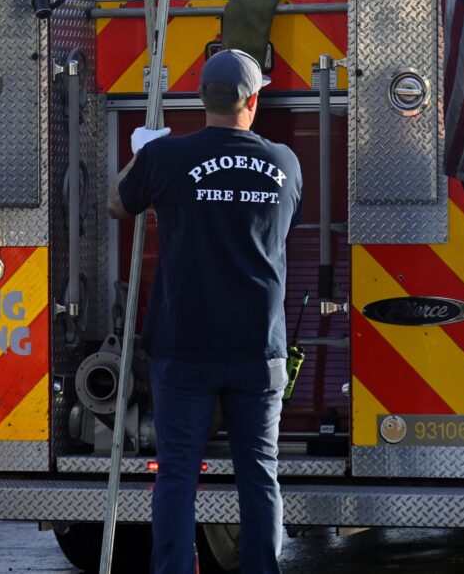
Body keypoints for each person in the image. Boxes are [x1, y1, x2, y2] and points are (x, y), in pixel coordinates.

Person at [107, 49, 302, 574]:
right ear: (253, 101)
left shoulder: (166, 158)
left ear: (201, 98)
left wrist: (143, 153)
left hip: (184, 347)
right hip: (259, 349)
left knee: (177, 473)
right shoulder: (286, 163)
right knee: (259, 474)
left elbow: (116, 203)